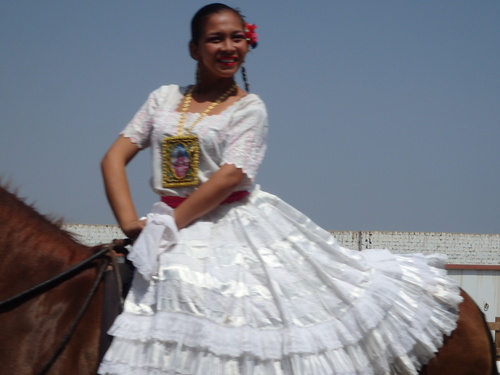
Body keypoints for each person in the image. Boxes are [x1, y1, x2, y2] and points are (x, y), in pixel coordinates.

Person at [98, 3, 462, 375]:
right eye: (215, 39)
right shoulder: (163, 98)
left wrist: (168, 226)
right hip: (170, 220)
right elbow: (113, 158)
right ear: (194, 48)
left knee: (238, 307)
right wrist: (130, 223)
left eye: (237, 38)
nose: (228, 47)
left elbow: (228, 178)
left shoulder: (249, 108)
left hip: (230, 221)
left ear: (247, 44)